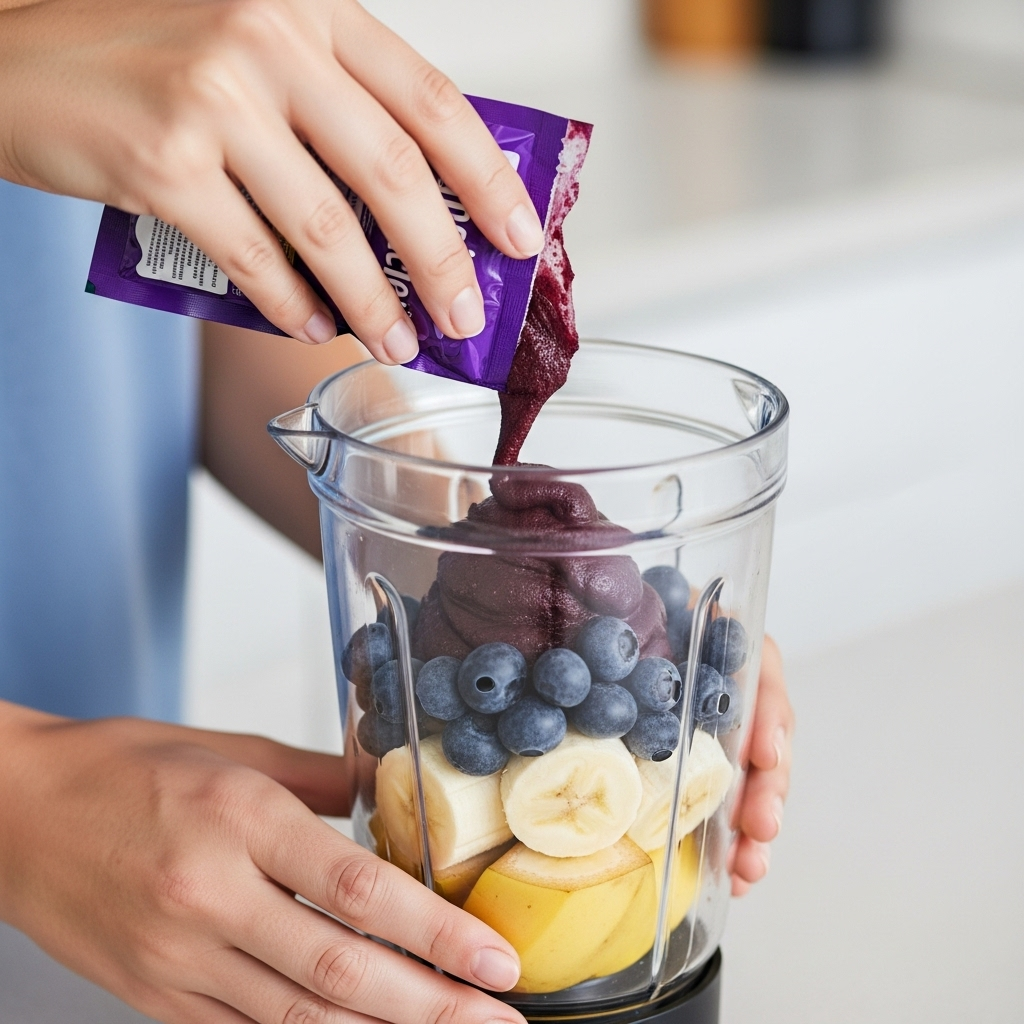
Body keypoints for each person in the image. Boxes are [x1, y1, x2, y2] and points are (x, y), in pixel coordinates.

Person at [0, 1, 795, 1022]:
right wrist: (20, 804)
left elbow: (167, 303)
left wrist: (484, 571)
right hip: (91, 850)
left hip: (132, 929)